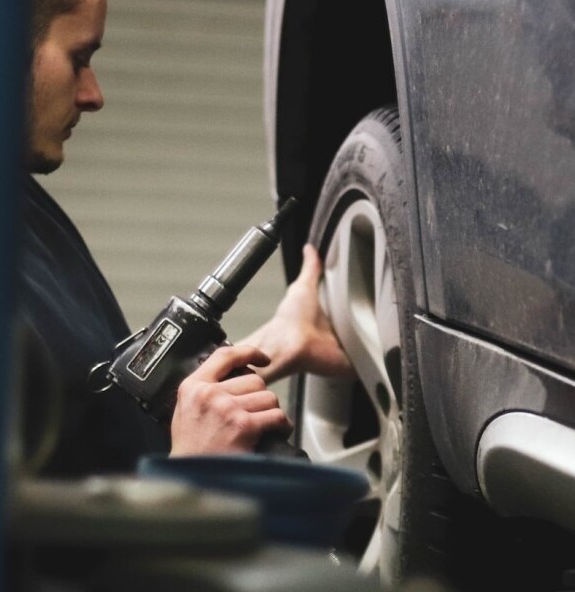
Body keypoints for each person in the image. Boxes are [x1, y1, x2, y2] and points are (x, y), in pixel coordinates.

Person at [21, 0, 349, 475]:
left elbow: (94, 421)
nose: (93, 95)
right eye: (79, 59)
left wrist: (279, 343)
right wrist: (190, 470)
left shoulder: (17, 207)